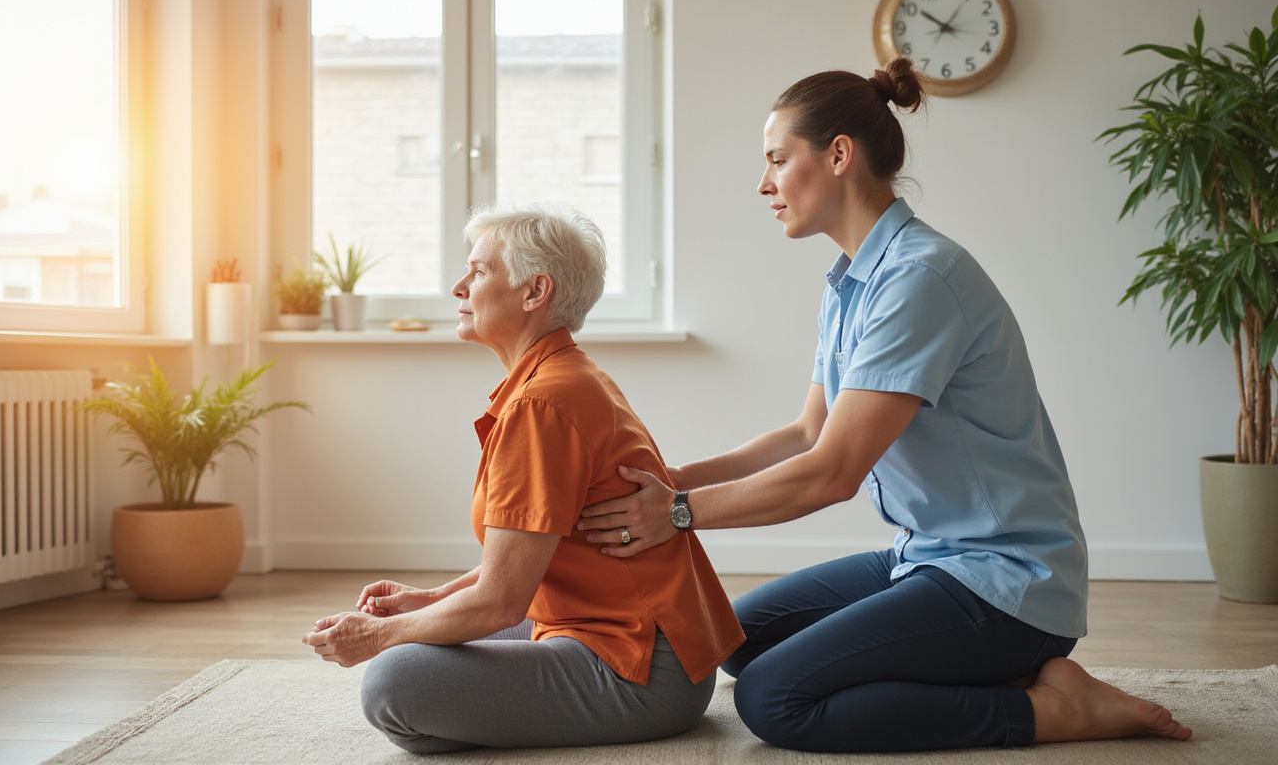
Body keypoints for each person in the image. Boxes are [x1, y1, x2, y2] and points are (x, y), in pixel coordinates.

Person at [576, 60, 1193, 753]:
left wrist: (678, 515)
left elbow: (831, 472)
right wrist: (672, 481)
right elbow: (808, 432)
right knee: (739, 640)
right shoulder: (852, 283)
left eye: (778, 159)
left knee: (774, 699)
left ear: (838, 155)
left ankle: (1053, 712)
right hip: (926, 555)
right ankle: (1018, 678)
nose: (764, 184)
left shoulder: (918, 279)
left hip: (1007, 581)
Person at [303, 202, 744, 753]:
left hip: (641, 672)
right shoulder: (564, 377)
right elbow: (525, 558)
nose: (459, 287)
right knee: (428, 646)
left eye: (479, 271)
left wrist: (375, 636)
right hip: (629, 640)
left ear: (535, 291)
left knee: (394, 680)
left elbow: (501, 602)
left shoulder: (543, 404)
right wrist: (430, 600)